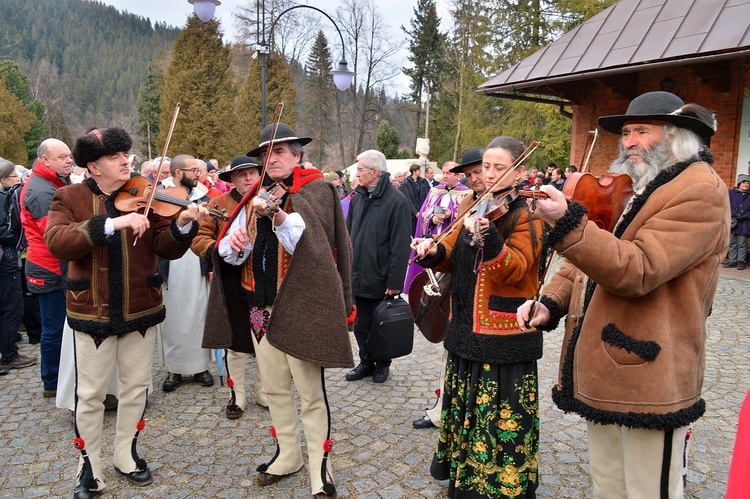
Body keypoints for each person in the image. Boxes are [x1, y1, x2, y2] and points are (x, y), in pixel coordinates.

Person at [516, 91, 729, 499]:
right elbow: (589, 258)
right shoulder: (644, 184)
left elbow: (638, 268)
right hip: (609, 365)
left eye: (641, 132)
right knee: (608, 486)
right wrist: (551, 301)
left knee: (648, 491)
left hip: (652, 374)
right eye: (627, 132)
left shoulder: (700, 189)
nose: (628, 141)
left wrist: (569, 224)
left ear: (678, 135)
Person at [44, 127, 207, 498]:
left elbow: (166, 247)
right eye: (115, 157)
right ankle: (90, 468)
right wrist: (111, 223)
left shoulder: (147, 195)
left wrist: (182, 226)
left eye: (126, 154)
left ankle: (126, 455)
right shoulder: (68, 196)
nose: (125, 161)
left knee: (136, 388)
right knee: (91, 395)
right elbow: (57, 242)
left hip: (140, 307)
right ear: (93, 166)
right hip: (93, 312)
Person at [203, 123, 354, 498]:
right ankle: (288, 454)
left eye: (280, 153)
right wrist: (235, 242)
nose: (272, 160)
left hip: (300, 307)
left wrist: (276, 214)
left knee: (310, 393)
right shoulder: (252, 195)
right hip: (258, 309)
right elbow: (232, 254)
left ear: (297, 156)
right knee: (274, 389)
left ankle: (321, 466)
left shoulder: (316, 190)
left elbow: (311, 242)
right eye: (266, 155)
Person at [412, 136, 545, 498]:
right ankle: (466, 479)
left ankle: (504, 485)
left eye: (499, 168)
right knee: (466, 409)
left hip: (504, 332)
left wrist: (489, 240)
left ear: (519, 172)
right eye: (485, 166)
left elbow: (517, 269)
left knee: (500, 415)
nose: (487, 174)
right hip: (465, 325)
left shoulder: (528, 212)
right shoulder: (473, 201)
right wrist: (431, 250)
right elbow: (450, 253)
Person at [410, 149, 484, 431]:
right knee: (450, 356)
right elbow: (449, 239)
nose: (475, 178)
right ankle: (442, 411)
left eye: (481, 171)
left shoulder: (488, 201)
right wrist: (433, 247)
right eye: (471, 173)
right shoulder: (469, 199)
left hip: (486, 300)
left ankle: (464, 414)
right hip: (459, 290)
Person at [191, 155, 268, 419]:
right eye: (242, 175)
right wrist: (218, 251)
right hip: (231, 279)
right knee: (233, 338)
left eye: (252, 173)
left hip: (264, 280)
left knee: (264, 337)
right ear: (232, 180)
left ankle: (265, 390)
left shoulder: (272, 199)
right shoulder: (217, 204)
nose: (248, 179)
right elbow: (199, 236)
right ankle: (238, 394)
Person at [346, 150, 412, 384]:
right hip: (360, 273)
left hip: (382, 278)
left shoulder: (397, 202)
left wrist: (395, 282)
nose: (357, 173)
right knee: (362, 324)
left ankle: (383, 364)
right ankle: (366, 362)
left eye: (361, 169)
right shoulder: (358, 197)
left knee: (382, 325)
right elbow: (349, 234)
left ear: (375, 172)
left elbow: (400, 246)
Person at [20, 138, 72, 397]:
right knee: (54, 328)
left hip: (51, 265)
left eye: (69, 155)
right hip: (47, 267)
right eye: (62, 156)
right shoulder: (40, 190)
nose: (69, 160)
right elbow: (53, 232)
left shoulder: (53, 182)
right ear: (44, 160)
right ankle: (51, 382)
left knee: (58, 326)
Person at [159, 154, 214, 392]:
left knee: (199, 312)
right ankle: (174, 367)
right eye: (193, 170)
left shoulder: (205, 197)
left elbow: (212, 232)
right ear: (178, 173)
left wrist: (211, 264)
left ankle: (201, 366)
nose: (198, 174)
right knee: (172, 316)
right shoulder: (160, 196)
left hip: (197, 259)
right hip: (171, 262)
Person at [403, 160, 470, 291]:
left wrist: (451, 215)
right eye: (444, 172)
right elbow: (423, 213)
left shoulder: (467, 194)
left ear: (458, 175)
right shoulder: (434, 191)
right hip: (432, 236)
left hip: (449, 240)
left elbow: (466, 218)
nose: (445, 176)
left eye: (449, 173)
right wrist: (432, 218)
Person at [0, 159, 37, 374]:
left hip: (8, 259)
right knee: (12, 308)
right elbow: (5, 232)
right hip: (7, 262)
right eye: (15, 176)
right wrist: (19, 236)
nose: (19, 179)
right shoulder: (3, 199)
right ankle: (9, 355)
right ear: (3, 179)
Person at [725, 173, 750, 270]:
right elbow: (727, 205)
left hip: (745, 223)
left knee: (742, 244)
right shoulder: (731, 193)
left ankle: (741, 262)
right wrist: (734, 214)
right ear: (739, 183)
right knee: (732, 243)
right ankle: (732, 261)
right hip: (733, 222)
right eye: (744, 183)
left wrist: (745, 216)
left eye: (747, 183)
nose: (746, 185)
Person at [400, 163, 431, 233]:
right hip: (411, 215)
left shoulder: (423, 182)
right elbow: (408, 199)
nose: (420, 171)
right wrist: (415, 212)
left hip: (423, 212)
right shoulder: (406, 184)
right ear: (414, 171)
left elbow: (428, 195)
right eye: (419, 170)